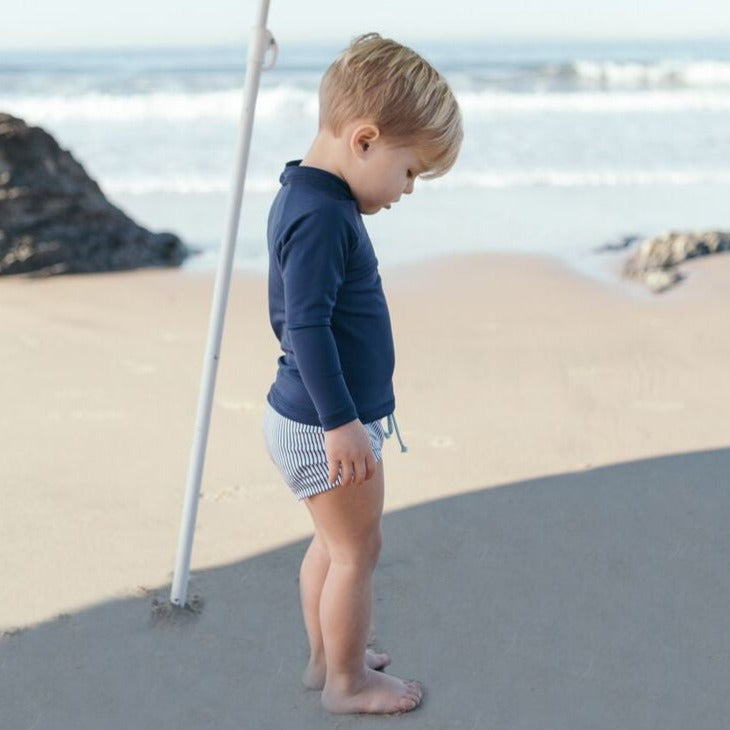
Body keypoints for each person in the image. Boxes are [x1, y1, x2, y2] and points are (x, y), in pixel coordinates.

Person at [262, 32, 462, 715]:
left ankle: (328, 658)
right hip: (325, 422)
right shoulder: (321, 217)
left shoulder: (310, 196)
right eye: (410, 171)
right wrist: (344, 422)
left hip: (312, 417)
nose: (409, 190)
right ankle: (347, 683)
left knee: (333, 544)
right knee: (356, 553)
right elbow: (306, 326)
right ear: (366, 140)